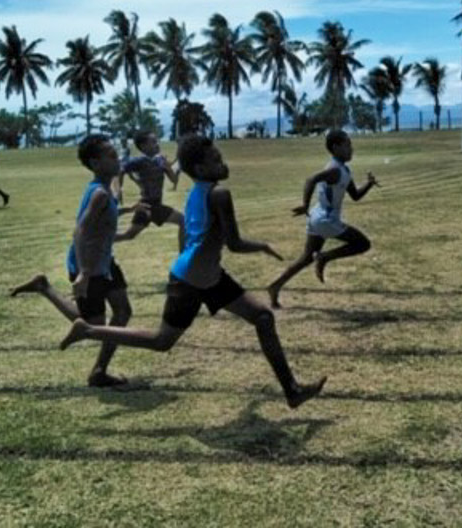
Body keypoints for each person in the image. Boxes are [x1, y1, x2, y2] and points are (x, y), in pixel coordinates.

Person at [60, 135, 327, 409]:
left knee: (262, 317)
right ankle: (89, 329)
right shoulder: (220, 194)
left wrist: (185, 265)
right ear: (200, 169)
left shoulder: (196, 191)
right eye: (216, 160)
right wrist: (262, 246)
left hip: (203, 275)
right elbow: (234, 244)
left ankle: (292, 391)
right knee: (161, 340)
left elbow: (187, 230)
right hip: (195, 279)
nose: (223, 164)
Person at [10, 134, 151, 388]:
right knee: (94, 325)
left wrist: (128, 212)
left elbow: (104, 223)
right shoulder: (98, 193)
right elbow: (81, 231)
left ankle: (99, 371)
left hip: (105, 263)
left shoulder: (104, 191)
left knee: (122, 311)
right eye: (110, 154)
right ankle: (45, 288)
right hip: (88, 265)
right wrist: (84, 273)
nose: (116, 157)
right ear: (95, 163)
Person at [267, 129, 377, 309]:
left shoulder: (344, 170)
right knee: (363, 243)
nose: (351, 149)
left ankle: (275, 286)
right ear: (336, 147)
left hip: (317, 218)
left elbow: (355, 195)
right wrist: (304, 204)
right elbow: (311, 179)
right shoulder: (334, 169)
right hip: (325, 219)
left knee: (306, 258)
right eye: (347, 145)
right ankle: (324, 257)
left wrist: (369, 184)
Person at [118, 130, 184, 250]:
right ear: (143, 146)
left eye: (157, 141)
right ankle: (184, 258)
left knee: (129, 235)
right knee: (183, 221)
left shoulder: (160, 160)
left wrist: (168, 168)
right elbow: (120, 170)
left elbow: (174, 180)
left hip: (152, 205)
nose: (157, 144)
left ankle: (100, 241)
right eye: (153, 142)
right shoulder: (138, 161)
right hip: (148, 205)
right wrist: (119, 190)